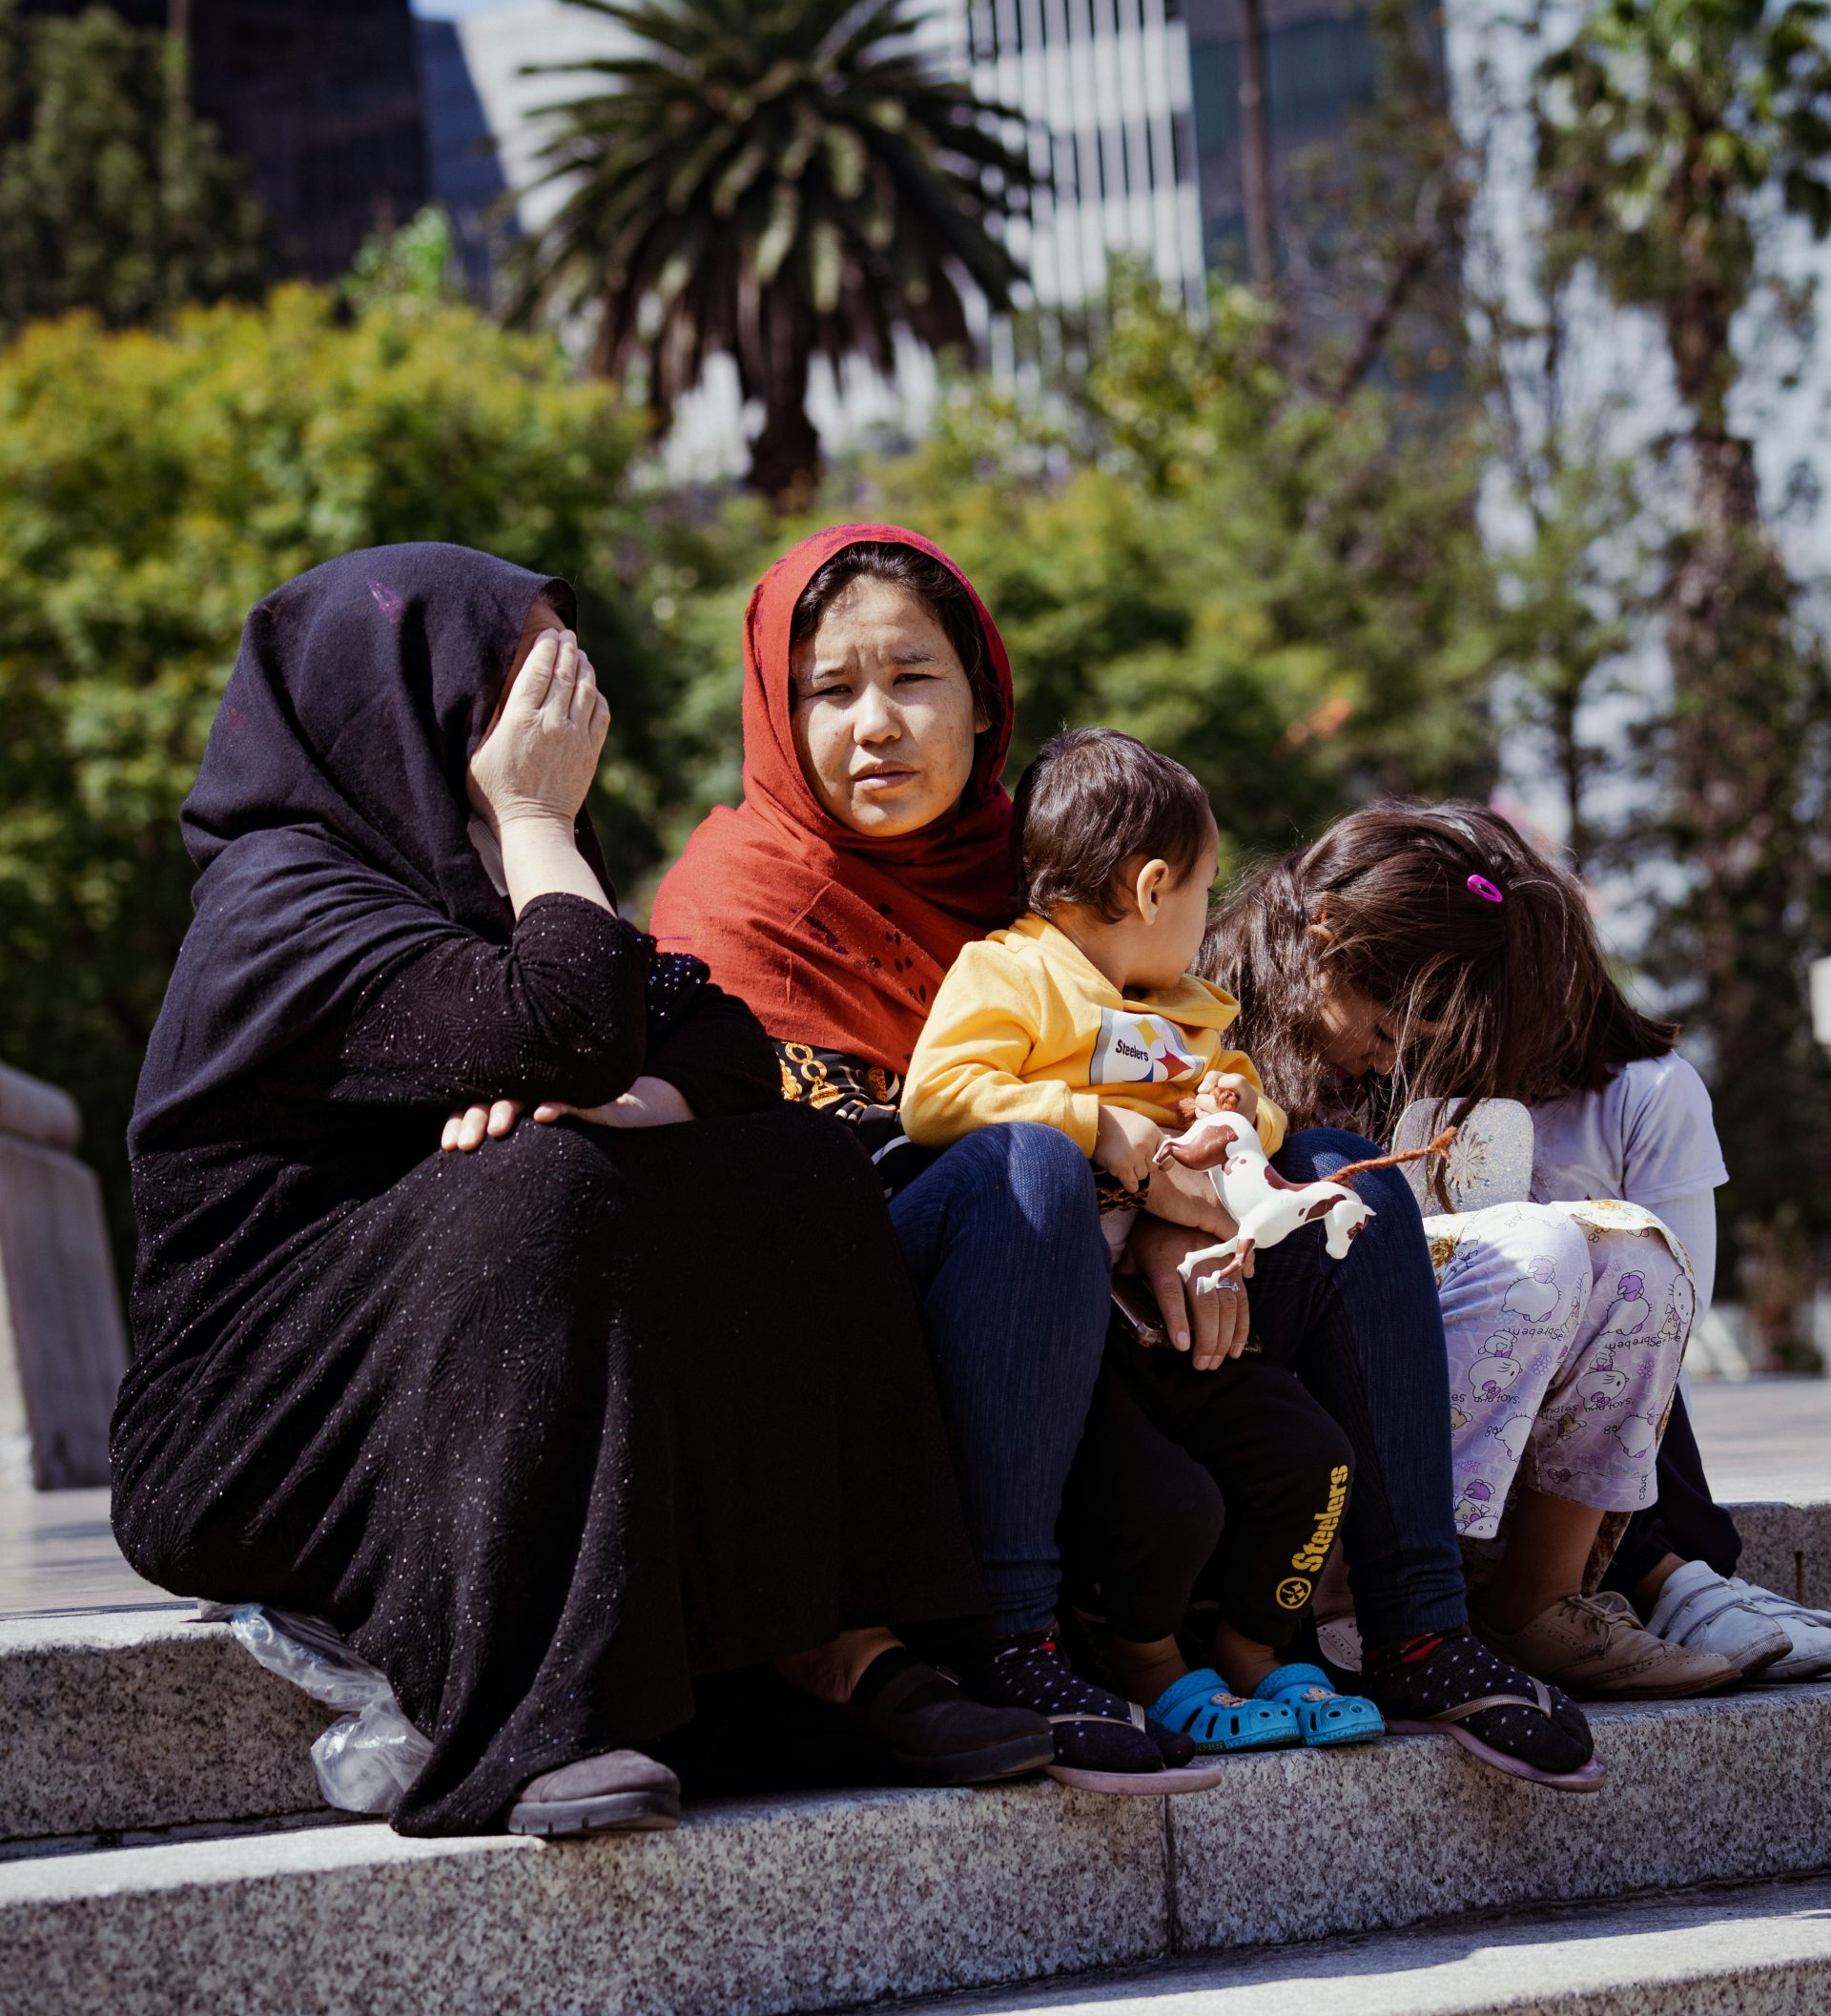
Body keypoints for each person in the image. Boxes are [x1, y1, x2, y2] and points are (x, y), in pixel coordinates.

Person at [112, 542, 1052, 1843]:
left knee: (792, 1162)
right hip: (253, 1430)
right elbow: (571, 1017)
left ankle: (845, 1647)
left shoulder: (493, 884)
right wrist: (542, 836)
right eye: (525, 683)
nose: (562, 722)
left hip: (446, 1344)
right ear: (402, 698)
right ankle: (528, 1719)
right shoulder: (280, 906)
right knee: (542, 1182)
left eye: (571, 680)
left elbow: (710, 1037)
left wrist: (629, 1092)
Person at [653, 525, 1601, 1792]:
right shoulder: (739, 895)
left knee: (1327, 1173)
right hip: (900, 1324)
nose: (875, 723)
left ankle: (1424, 1623)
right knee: (1022, 1169)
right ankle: (1016, 1639)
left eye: (912, 678)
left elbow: (1165, 1076)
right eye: (830, 689)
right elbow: (807, 1182)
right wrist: (1110, 1171)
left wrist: (1181, 1212)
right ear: (777, 710)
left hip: (1114, 1310)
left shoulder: (1051, 866)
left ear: (984, 698)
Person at [1206, 799, 1831, 1692]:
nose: (1389, 1063)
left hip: (1384, 1381)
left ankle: (1536, 1602)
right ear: (1325, 936)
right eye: (1386, 1032)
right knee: (1538, 1250)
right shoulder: (1214, 1025)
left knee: (1638, 1258)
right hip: (1279, 1410)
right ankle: (1368, 1601)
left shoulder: (1391, 1058)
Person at [901, 727, 1382, 1756]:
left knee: (1314, 1459)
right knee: (1171, 1508)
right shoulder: (1014, 973)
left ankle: (1263, 1648)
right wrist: (1102, 1125)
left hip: (1178, 1313)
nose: (1208, 916)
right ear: (1154, 884)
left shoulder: (1190, 1012)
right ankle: (1153, 1662)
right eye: (1208, 890)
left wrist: (1230, 1120)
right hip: (1072, 1326)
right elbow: (936, 1094)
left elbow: (1260, 1109)